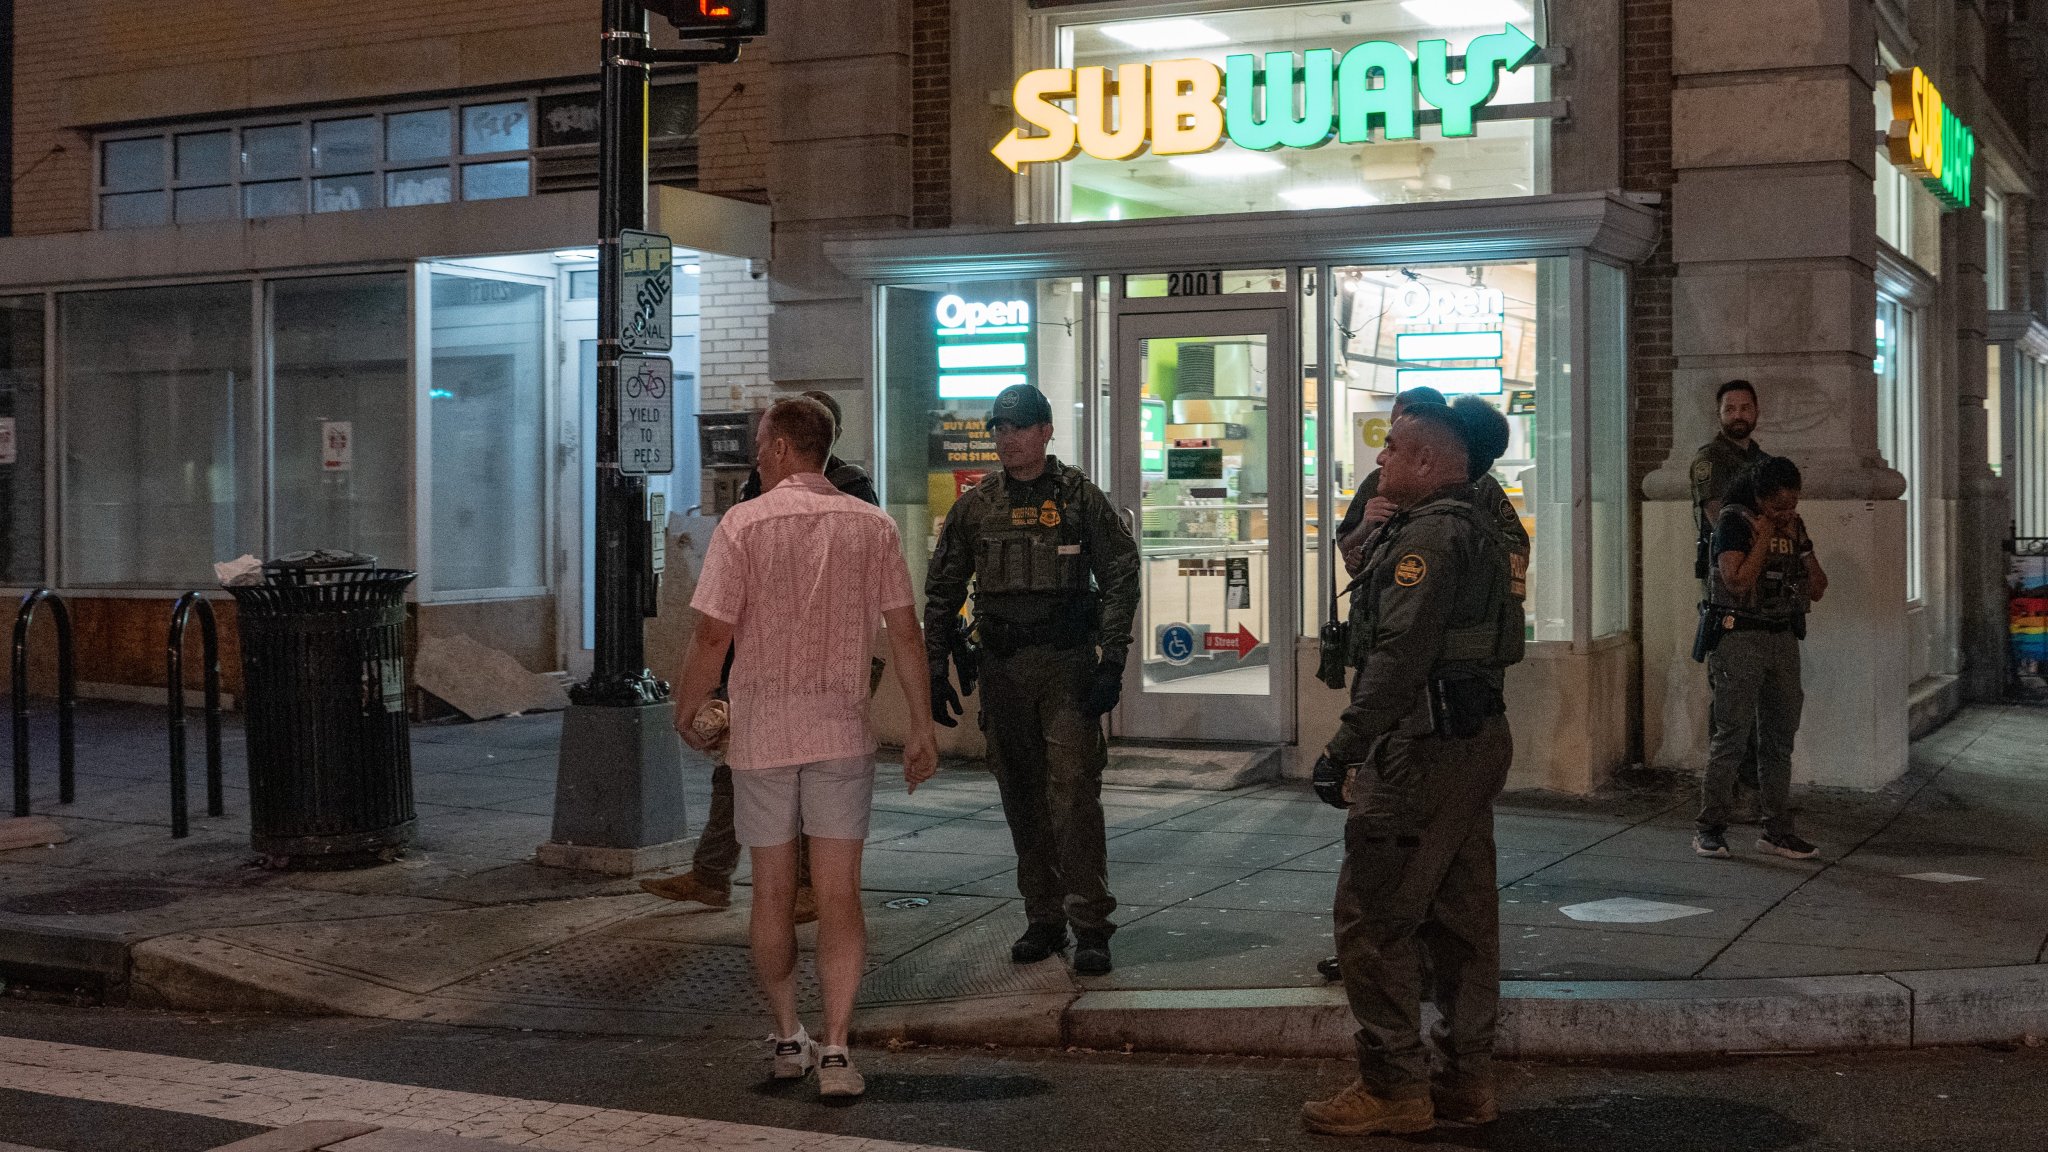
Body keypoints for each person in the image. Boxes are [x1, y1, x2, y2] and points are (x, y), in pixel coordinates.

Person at [673, 396, 939, 1099]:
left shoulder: (744, 525)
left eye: (762, 446)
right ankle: (838, 1050)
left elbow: (711, 636)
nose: (756, 458)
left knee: (768, 893)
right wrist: (920, 725)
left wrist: (686, 706)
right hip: (841, 731)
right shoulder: (873, 526)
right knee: (839, 894)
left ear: (787, 448)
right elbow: (905, 633)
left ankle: (788, 1035)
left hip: (762, 733)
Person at [1303, 397, 1522, 1138]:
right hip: (1472, 743)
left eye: (1392, 448)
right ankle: (1465, 1080)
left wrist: (1345, 748)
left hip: (1421, 752)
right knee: (1462, 920)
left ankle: (1394, 1085)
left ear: (1427, 461)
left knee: (1372, 918)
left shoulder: (1428, 540)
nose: (1381, 459)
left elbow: (1398, 658)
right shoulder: (1475, 527)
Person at [924, 383, 1140, 976]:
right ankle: (1043, 917)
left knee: (1072, 796)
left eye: (1018, 427)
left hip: (1065, 665)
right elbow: (942, 589)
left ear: (1046, 431)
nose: (1006, 438)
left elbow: (1122, 574)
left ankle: (1090, 923)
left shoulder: (1078, 499)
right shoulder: (978, 505)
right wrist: (934, 665)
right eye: (998, 427)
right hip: (1003, 668)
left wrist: (1111, 659)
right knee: (1020, 795)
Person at [644, 390, 879, 922]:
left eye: (766, 438)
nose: (759, 452)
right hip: (756, 659)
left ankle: (801, 888)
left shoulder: (850, 491)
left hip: (819, 665)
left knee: (803, 777)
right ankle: (714, 875)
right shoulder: (758, 488)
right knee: (736, 771)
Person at [1694, 455, 1827, 860]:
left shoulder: (1795, 527)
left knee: (1779, 739)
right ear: (1760, 497)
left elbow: (1819, 587)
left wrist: (1802, 549)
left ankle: (1777, 830)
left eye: (1793, 504)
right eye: (1778, 506)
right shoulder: (1734, 524)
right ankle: (1710, 828)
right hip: (1740, 637)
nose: (1788, 512)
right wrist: (1766, 533)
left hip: (1782, 637)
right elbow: (1736, 582)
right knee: (1731, 736)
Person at [1689, 380, 1769, 793]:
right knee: (1729, 688)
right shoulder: (1710, 459)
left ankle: (1757, 785)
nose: (1738, 414)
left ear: (1756, 411)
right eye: (1729, 408)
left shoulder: (1764, 461)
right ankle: (1726, 789)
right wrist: (1761, 534)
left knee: (1759, 687)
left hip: (1765, 583)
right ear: (1719, 414)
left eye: (1744, 407)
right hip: (1725, 580)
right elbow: (1719, 515)